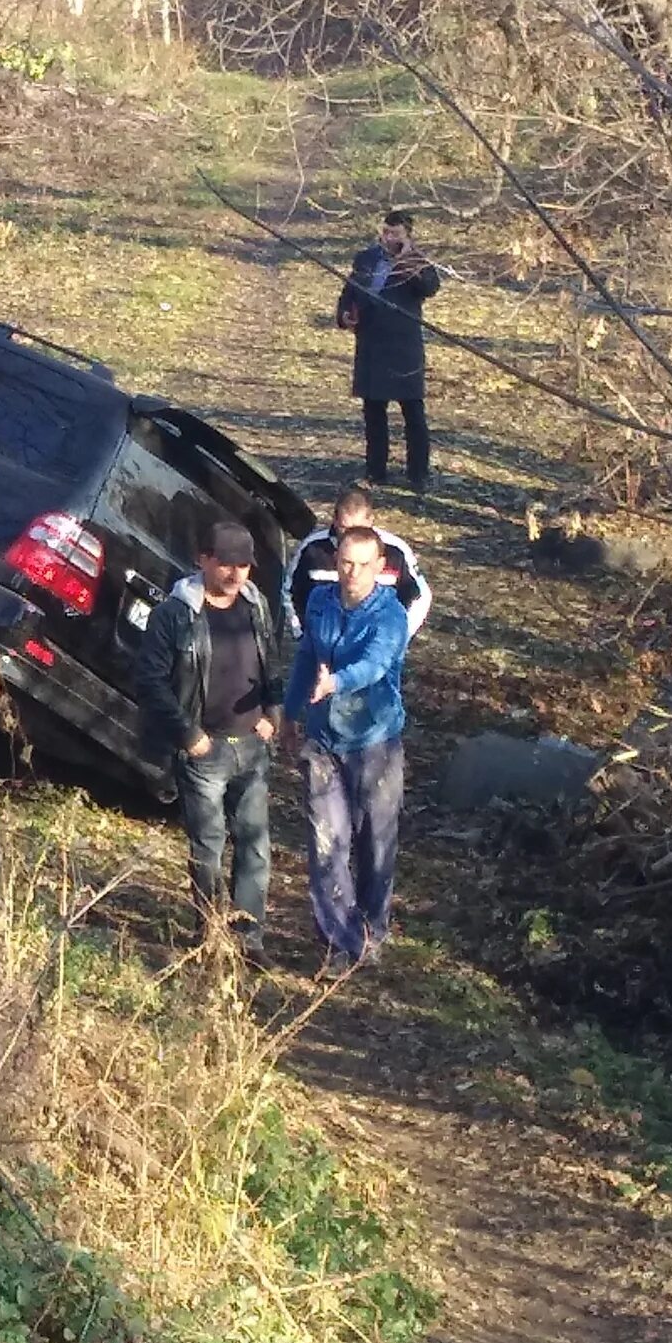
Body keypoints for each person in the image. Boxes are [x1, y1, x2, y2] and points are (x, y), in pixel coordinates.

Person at [134, 517, 281, 965]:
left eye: (244, 565)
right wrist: (189, 735)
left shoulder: (256, 606)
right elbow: (150, 681)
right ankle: (210, 934)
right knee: (209, 844)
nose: (237, 574)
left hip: (252, 745)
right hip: (204, 750)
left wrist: (272, 715)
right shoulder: (174, 615)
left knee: (255, 845)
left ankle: (248, 941)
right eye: (227, 564)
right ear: (203, 560)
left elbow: (272, 663)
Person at [286, 527, 412, 976]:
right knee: (326, 842)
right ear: (335, 561)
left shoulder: (390, 615)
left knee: (375, 843)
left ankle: (373, 931)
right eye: (344, 562)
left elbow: (376, 664)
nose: (352, 573)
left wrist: (335, 682)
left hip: (373, 739)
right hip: (324, 739)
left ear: (380, 568)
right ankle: (342, 939)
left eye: (362, 564)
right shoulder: (320, 601)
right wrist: (289, 711)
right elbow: (305, 655)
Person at [335, 208, 441, 490]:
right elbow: (349, 292)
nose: (388, 237)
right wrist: (345, 315)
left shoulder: (417, 262)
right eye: (386, 231)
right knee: (373, 412)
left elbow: (430, 287)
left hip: (403, 347)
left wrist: (407, 257)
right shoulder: (366, 259)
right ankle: (375, 472)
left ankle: (418, 474)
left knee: (413, 414)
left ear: (407, 236)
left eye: (395, 233)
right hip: (371, 343)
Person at [284, 484, 432, 638]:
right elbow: (289, 591)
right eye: (344, 528)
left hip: (378, 643)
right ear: (334, 520)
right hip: (322, 643)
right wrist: (301, 633)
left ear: (370, 521)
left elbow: (419, 595)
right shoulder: (312, 549)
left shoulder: (395, 551)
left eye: (359, 528)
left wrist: (400, 636)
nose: (351, 535)